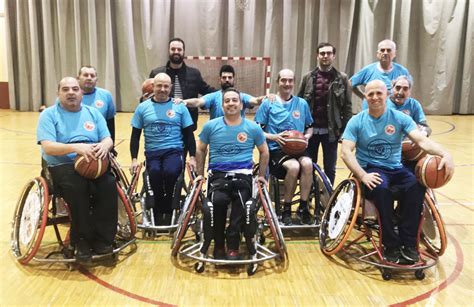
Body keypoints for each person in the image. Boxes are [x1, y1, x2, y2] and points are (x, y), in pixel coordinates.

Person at [340, 80, 454, 264]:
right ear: (365, 97)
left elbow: (422, 141)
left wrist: (445, 154)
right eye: (370, 94)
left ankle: (409, 244)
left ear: (387, 95)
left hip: (396, 168)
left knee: (417, 187)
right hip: (371, 169)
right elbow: (345, 152)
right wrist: (362, 175)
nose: (375, 97)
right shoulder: (357, 121)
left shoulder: (400, 118)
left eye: (379, 93)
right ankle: (390, 244)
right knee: (381, 189)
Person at [37, 77, 117, 263]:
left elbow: (107, 138)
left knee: (108, 185)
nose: (71, 92)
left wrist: (105, 146)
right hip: (61, 165)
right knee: (78, 187)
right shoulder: (49, 115)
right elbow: (48, 147)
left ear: (81, 93)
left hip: (93, 163)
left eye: (75, 89)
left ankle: (103, 240)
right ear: (58, 93)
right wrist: (75, 148)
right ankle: (80, 240)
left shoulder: (93, 113)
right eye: (66, 89)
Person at [196, 87, 269, 260]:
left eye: (234, 100)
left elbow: (264, 152)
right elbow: (200, 149)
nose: (231, 104)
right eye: (227, 101)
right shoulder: (210, 126)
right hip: (218, 175)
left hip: (242, 175)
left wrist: (261, 176)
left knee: (241, 206)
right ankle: (219, 244)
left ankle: (233, 245)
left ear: (241, 104)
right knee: (218, 204)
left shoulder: (252, 127)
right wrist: (200, 173)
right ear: (222, 106)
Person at [130, 73, 196, 225]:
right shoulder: (142, 108)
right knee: (154, 174)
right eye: (159, 85)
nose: (162, 89)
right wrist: (134, 159)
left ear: (170, 88)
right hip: (153, 152)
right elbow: (135, 136)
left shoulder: (179, 107)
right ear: (153, 87)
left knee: (171, 172)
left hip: (174, 150)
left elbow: (188, 135)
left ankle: (169, 207)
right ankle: (158, 209)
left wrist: (192, 157)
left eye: (166, 86)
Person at [255, 69, 314, 225]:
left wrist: (306, 137)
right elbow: (257, 131)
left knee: (308, 164)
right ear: (277, 82)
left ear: (294, 82)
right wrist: (274, 137)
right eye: (283, 80)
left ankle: (303, 207)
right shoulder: (269, 103)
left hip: (298, 148)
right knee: (294, 166)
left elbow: (310, 127)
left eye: (290, 80)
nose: (287, 84)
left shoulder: (302, 104)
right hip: (276, 149)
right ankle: (286, 208)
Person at [297, 42, 352, 185]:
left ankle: (328, 199)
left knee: (330, 168)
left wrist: (345, 132)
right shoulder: (307, 77)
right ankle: (308, 196)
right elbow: (299, 104)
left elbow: (347, 107)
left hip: (331, 132)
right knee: (308, 166)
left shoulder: (343, 78)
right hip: (310, 131)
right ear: (317, 56)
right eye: (322, 53)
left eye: (328, 53)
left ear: (333, 56)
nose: (325, 56)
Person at [149, 37, 215, 130]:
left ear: (183, 52)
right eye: (173, 49)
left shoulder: (194, 74)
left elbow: (207, 90)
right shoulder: (157, 74)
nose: (176, 51)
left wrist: (224, 93)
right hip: (163, 122)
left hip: (188, 123)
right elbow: (148, 98)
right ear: (168, 51)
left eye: (179, 49)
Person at [179, 64, 267, 119]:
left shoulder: (242, 96)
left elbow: (255, 100)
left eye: (230, 77)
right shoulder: (213, 96)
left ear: (234, 79)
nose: (227, 80)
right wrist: (183, 102)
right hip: (217, 137)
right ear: (220, 79)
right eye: (224, 78)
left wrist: (266, 98)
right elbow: (198, 101)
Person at [77, 66, 116, 142]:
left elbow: (110, 123)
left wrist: (111, 146)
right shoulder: (68, 97)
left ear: (96, 79)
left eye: (92, 76)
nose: (89, 78)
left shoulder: (106, 95)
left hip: (100, 146)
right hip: (75, 145)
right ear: (78, 78)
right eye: (85, 75)